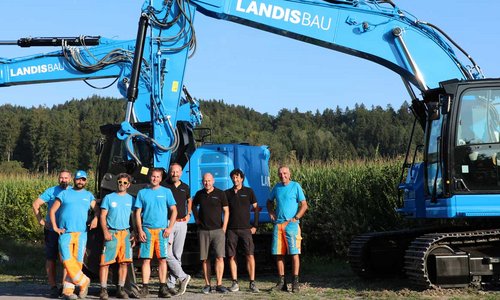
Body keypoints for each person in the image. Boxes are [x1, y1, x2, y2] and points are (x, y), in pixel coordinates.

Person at [50, 170, 99, 300]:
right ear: (74, 180)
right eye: (78, 179)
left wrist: (95, 219)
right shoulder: (64, 193)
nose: (80, 182)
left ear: (86, 181)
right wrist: (55, 227)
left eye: (83, 179)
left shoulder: (88, 195)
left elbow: (97, 210)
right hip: (66, 233)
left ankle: (68, 290)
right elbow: (53, 210)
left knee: (77, 262)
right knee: (66, 260)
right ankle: (83, 281)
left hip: (81, 233)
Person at [134, 168, 178, 298]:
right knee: (146, 260)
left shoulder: (166, 192)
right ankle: (145, 288)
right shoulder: (142, 193)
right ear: (150, 177)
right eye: (153, 176)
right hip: (147, 231)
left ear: (161, 178)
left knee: (162, 260)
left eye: (158, 177)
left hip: (161, 232)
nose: (155, 179)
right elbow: (137, 213)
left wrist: (169, 228)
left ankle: (162, 288)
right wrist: (140, 230)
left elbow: (174, 210)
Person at [267, 166, 308, 293]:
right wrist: (271, 212)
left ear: (289, 174)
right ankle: (282, 283)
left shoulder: (296, 186)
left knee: (294, 254)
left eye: (285, 173)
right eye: (280, 173)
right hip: (278, 225)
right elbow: (269, 202)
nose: (282, 175)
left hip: (292, 225)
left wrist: (296, 218)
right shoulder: (276, 187)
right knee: (279, 254)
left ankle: (295, 282)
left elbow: (304, 205)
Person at [32, 169, 72, 298]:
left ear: (70, 179)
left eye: (66, 178)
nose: (63, 180)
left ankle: (65, 286)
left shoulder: (73, 192)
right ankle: (53, 286)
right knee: (51, 259)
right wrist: (41, 221)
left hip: (67, 231)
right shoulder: (51, 191)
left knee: (65, 260)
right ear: (58, 178)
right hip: (52, 231)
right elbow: (36, 204)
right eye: (61, 177)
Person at [98, 173, 135, 300]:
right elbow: (102, 216)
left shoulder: (131, 199)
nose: (122, 185)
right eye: (120, 182)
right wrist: (105, 232)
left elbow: (135, 217)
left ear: (128, 185)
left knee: (124, 263)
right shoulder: (109, 198)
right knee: (105, 263)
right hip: (111, 233)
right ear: (117, 183)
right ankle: (103, 290)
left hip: (125, 233)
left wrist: (134, 233)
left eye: (125, 183)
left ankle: (120, 288)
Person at [192, 173, 230, 294]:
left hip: (218, 230)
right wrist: (196, 218)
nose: (207, 183)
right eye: (205, 181)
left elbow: (226, 211)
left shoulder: (220, 193)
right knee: (205, 259)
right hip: (203, 231)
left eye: (209, 180)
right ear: (202, 182)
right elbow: (193, 206)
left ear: (213, 181)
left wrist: (224, 227)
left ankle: (219, 284)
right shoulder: (199, 194)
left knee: (219, 258)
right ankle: (207, 285)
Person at [225, 169, 260, 293]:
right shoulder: (227, 193)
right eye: (233, 178)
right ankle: (235, 283)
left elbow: (256, 208)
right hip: (231, 230)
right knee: (231, 256)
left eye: (237, 177)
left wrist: (255, 225)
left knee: (250, 255)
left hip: (246, 229)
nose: (235, 180)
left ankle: (252, 283)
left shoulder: (249, 192)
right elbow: (223, 210)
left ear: (242, 178)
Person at [164, 163, 192, 296]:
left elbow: (189, 200)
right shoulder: (165, 185)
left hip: (181, 223)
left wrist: (189, 214)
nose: (174, 174)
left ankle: (171, 285)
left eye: (177, 172)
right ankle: (183, 277)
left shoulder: (185, 187)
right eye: (172, 172)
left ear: (181, 173)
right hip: (169, 223)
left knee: (177, 254)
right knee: (167, 253)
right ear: (170, 172)